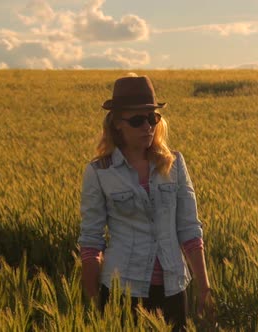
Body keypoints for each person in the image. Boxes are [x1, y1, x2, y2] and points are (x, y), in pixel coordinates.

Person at [78, 73, 213, 331]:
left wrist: (204, 287)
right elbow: (91, 242)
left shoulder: (174, 164)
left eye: (152, 118)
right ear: (117, 123)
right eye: (138, 120)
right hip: (123, 291)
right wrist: (94, 302)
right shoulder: (99, 172)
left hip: (174, 289)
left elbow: (190, 230)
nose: (147, 127)